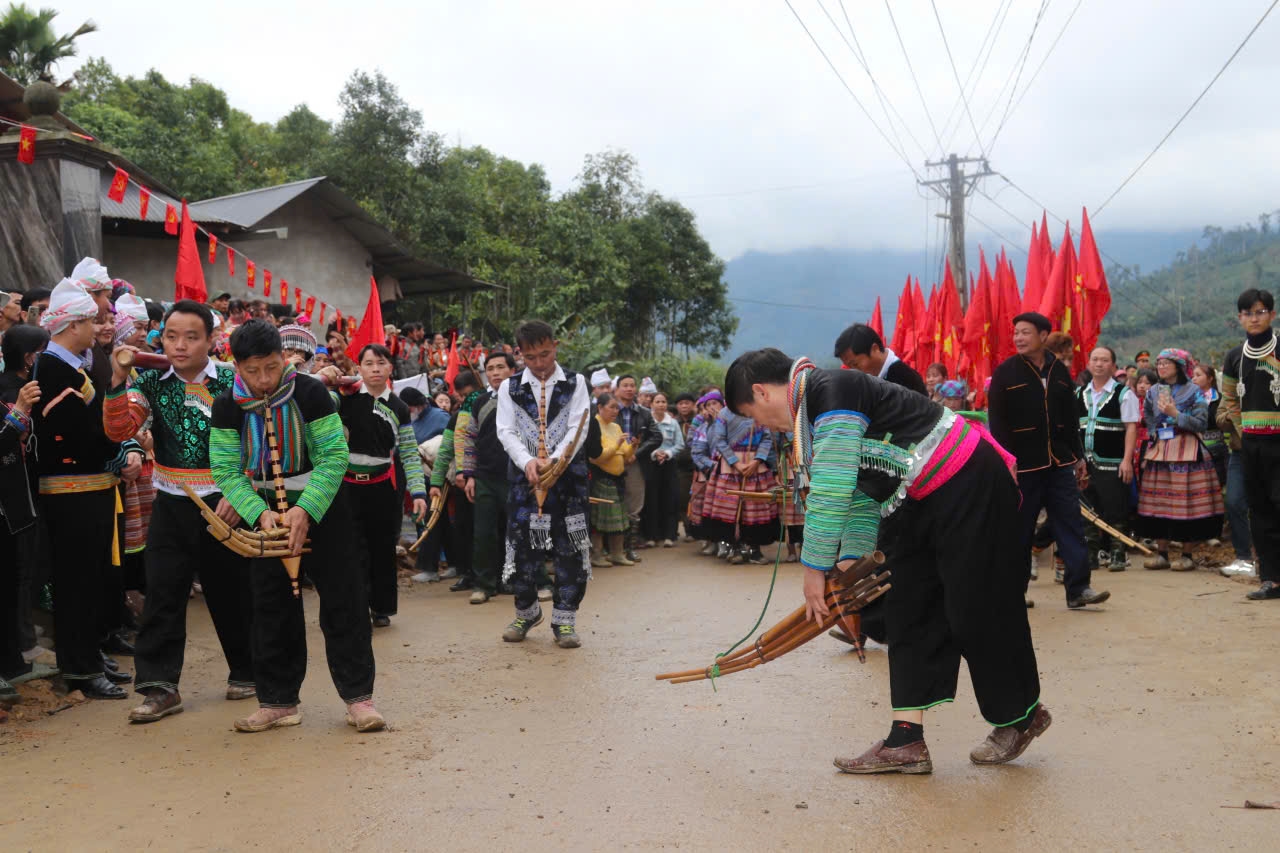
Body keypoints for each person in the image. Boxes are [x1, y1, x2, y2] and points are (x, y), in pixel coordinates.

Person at [726, 348, 1049, 774]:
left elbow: (833, 487)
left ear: (760, 392)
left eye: (751, 413)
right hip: (917, 496)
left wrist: (813, 572)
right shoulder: (818, 411)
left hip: (970, 478)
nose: (758, 424)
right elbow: (864, 492)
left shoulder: (830, 391)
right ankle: (906, 741)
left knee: (976, 607)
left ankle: (1020, 717)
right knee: (907, 605)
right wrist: (848, 559)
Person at [209, 319, 383, 733]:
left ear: (283, 359)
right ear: (236, 366)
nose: (263, 380)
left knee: (344, 599)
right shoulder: (225, 405)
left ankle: (359, 699)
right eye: (252, 371)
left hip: (323, 505)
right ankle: (278, 701)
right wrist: (258, 512)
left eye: (271, 368)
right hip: (266, 511)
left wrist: (306, 509)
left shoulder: (309, 392)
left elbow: (333, 456)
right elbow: (226, 470)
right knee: (270, 604)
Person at [104, 300, 256, 722]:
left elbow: (258, 437)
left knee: (230, 590)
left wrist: (240, 492)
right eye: (171, 336)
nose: (179, 345)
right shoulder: (149, 380)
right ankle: (159, 687)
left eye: (191, 337)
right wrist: (117, 381)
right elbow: (118, 429)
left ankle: (247, 670)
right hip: (171, 499)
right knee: (163, 591)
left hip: (225, 499)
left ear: (211, 340)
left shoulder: (233, 380)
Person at [30, 279, 144, 700]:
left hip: (91, 488)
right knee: (76, 582)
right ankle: (78, 668)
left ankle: (90, 657)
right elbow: (78, 437)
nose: (98, 329)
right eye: (91, 322)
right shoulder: (53, 371)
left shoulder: (71, 367)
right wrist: (119, 457)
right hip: (70, 491)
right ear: (73, 324)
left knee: (93, 577)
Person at [988, 312, 1109, 609]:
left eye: (1025, 332)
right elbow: (997, 421)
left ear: (1043, 336)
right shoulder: (1006, 372)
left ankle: (1079, 589)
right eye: (1016, 332)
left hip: (1058, 465)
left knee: (1070, 526)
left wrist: (1077, 456)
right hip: (1023, 467)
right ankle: (1014, 592)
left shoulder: (1058, 370)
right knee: (1019, 530)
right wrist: (1005, 460)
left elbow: (1069, 418)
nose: (1018, 338)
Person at [495, 320, 592, 648]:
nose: (539, 363)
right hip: (525, 480)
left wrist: (556, 461)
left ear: (556, 346)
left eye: (546, 354)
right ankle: (526, 611)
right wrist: (528, 462)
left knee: (571, 549)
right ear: (519, 353)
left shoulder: (576, 383)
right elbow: (505, 430)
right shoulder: (509, 387)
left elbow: (579, 425)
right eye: (531, 357)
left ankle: (565, 620)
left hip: (568, 483)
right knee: (521, 547)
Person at [326, 344, 428, 628]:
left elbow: (408, 452)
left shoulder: (398, 408)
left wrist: (418, 492)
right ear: (358, 367)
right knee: (350, 549)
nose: (374, 368)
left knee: (382, 550)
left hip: (384, 490)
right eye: (368, 363)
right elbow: (313, 397)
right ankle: (355, 606)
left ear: (389, 369)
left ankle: (380, 608)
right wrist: (327, 379)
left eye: (380, 363)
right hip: (347, 488)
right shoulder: (343, 398)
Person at [1136, 349, 1224, 571]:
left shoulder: (1194, 391)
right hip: (1161, 451)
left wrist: (1176, 414)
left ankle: (1186, 555)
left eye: (1166, 363)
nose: (1161, 367)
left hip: (1188, 450)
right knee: (1159, 502)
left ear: (1179, 366)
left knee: (1187, 503)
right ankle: (1162, 552)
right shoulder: (1154, 391)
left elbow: (1201, 424)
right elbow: (1147, 414)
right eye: (1159, 363)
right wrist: (1155, 431)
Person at [1221, 288, 1280, 599]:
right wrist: (1244, 432)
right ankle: (1272, 579)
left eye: (1259, 311)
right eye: (1247, 313)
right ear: (1239, 318)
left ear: (1271, 314)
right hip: (1250, 446)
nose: (1253, 318)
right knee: (1260, 512)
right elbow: (1229, 398)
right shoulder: (1234, 356)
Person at [459, 352, 517, 603]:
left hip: (517, 476)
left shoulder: (524, 399)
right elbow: (470, 441)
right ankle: (484, 585)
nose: (494, 372)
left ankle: (520, 580)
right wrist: (469, 474)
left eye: (500, 367)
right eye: (490, 368)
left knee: (518, 531)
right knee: (483, 533)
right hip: (484, 477)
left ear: (512, 370)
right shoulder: (479, 402)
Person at [1075, 346, 1139, 572]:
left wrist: (1127, 460)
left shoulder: (1124, 393)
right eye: (1095, 359)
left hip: (1113, 461)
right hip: (1085, 464)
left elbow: (1131, 427)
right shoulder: (1079, 393)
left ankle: (1118, 555)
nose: (1099, 364)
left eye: (1104, 360)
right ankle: (1090, 555)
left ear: (1113, 366)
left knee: (1115, 508)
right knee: (1087, 510)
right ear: (1089, 364)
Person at [701, 404, 778, 565]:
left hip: (756, 466)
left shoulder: (758, 410)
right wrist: (736, 463)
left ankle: (755, 550)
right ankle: (735, 548)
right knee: (732, 510)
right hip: (731, 467)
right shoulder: (724, 413)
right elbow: (720, 441)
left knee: (755, 509)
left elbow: (767, 438)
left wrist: (757, 460)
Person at [427, 371, 481, 592]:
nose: (464, 400)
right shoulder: (457, 417)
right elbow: (446, 451)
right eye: (461, 396)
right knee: (464, 530)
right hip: (462, 484)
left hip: (487, 481)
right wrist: (435, 483)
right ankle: (467, 573)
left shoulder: (494, 409)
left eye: (468, 394)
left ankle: (491, 576)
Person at [614, 375, 660, 561]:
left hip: (635, 464)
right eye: (625, 385)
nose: (629, 389)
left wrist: (637, 453)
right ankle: (612, 550)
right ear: (616, 389)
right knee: (613, 505)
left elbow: (657, 437)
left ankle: (629, 549)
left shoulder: (644, 413)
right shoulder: (609, 409)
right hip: (610, 462)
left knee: (634, 507)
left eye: (632, 385)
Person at [589, 392, 635, 567]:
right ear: (600, 407)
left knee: (620, 519)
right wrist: (616, 446)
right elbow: (597, 457)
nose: (615, 411)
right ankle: (597, 555)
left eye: (617, 407)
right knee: (599, 520)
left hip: (618, 479)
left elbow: (625, 454)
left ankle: (617, 553)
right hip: (600, 478)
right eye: (612, 407)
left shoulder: (616, 427)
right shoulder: (594, 425)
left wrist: (634, 446)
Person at [641, 392, 685, 548]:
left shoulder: (673, 423)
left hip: (669, 464)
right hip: (651, 464)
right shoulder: (647, 421)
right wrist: (654, 453)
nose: (661, 404)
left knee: (670, 498)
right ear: (651, 404)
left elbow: (680, 444)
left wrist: (666, 453)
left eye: (663, 401)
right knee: (651, 499)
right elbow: (643, 442)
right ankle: (652, 536)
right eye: (657, 401)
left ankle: (669, 535)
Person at [833, 323, 927, 395]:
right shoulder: (868, 382)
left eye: (855, 364)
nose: (854, 371)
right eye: (849, 367)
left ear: (875, 349)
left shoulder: (905, 379)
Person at [1193, 364, 1228, 486]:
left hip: (1217, 448)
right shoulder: (1189, 399)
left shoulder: (1219, 398)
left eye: (1198, 375)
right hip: (1196, 448)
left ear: (1210, 378)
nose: (1194, 379)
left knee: (1218, 482)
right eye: (1193, 375)